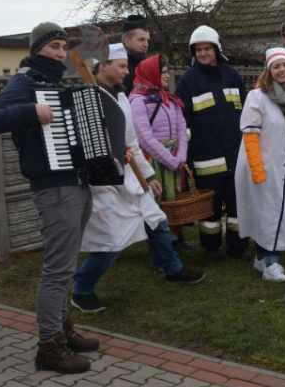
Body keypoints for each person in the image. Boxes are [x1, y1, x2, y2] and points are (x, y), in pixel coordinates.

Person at [0, 22, 100, 374]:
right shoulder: (25, 82)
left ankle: (62, 329)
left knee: (67, 263)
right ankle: (48, 345)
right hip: (54, 187)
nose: (61, 54)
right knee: (57, 269)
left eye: (64, 47)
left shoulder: (53, 84)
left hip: (75, 181)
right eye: (55, 48)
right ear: (37, 50)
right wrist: (32, 111)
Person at [72, 46, 205, 313]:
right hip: (105, 183)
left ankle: (172, 269)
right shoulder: (85, 99)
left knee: (158, 221)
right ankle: (81, 289)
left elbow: (131, 142)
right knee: (111, 240)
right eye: (121, 66)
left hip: (131, 176)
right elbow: (82, 144)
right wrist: (110, 153)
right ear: (104, 66)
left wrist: (149, 175)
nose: (127, 71)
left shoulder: (121, 99)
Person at [175, 25, 249, 259]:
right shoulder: (188, 80)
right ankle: (211, 248)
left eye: (208, 48)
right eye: (199, 49)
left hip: (236, 156)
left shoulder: (232, 75)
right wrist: (186, 154)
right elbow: (182, 121)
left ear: (217, 49)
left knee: (238, 207)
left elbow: (247, 111)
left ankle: (238, 248)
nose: (203, 53)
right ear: (193, 53)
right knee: (210, 210)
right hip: (206, 160)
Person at [235, 47, 285, 281]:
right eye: (276, 66)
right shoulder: (257, 97)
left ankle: (261, 259)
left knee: (284, 212)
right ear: (269, 71)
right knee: (268, 215)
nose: (282, 70)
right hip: (263, 166)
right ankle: (271, 264)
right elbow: (250, 134)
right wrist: (258, 170)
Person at [129, 54, 193, 251]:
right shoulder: (138, 101)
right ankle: (159, 247)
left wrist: (181, 156)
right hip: (154, 160)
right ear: (152, 74)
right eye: (163, 72)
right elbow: (144, 137)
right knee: (158, 200)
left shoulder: (168, 98)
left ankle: (176, 237)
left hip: (174, 158)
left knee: (175, 197)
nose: (167, 76)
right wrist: (170, 160)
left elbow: (182, 127)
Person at [120, 14, 151, 94]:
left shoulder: (150, 65)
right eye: (141, 40)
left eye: (147, 40)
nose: (146, 44)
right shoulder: (117, 68)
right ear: (127, 41)